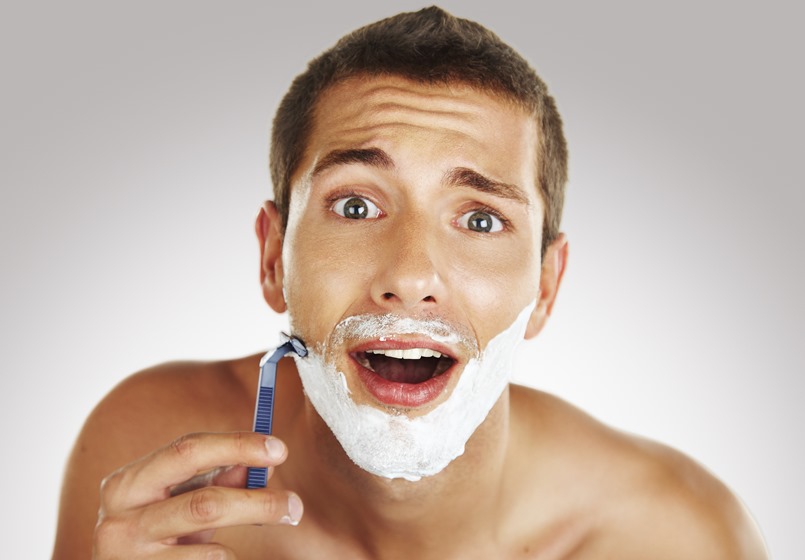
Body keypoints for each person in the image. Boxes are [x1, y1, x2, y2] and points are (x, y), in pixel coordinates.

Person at [53, 6, 768, 559]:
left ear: (545, 287)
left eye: (481, 220)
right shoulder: (151, 460)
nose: (410, 276)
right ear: (273, 258)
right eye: (356, 205)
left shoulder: (675, 536)